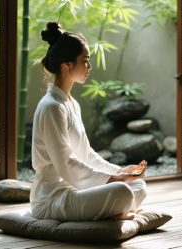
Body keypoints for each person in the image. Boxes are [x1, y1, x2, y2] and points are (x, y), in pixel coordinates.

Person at [30, 21, 147, 222]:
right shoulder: (51, 106)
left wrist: (120, 171)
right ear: (67, 65)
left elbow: (86, 154)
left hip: (76, 190)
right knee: (122, 192)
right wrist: (114, 180)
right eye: (85, 61)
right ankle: (115, 212)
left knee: (138, 186)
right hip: (53, 198)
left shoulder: (72, 103)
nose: (89, 67)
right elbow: (66, 163)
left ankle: (114, 212)